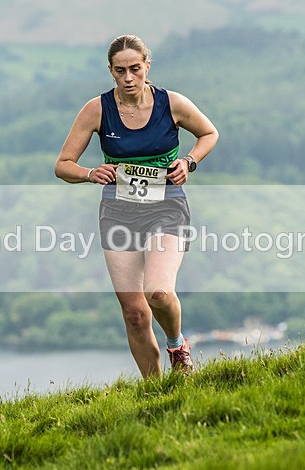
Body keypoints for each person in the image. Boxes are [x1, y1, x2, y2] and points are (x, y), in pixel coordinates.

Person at [54, 34, 218, 378]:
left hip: (167, 206)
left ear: (147, 67)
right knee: (135, 314)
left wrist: (189, 162)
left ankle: (177, 346)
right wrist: (89, 173)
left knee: (157, 292)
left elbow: (209, 133)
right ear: (111, 71)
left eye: (135, 69)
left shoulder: (171, 103)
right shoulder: (97, 109)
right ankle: (155, 392)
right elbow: (63, 164)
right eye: (120, 71)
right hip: (118, 212)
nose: (128, 78)